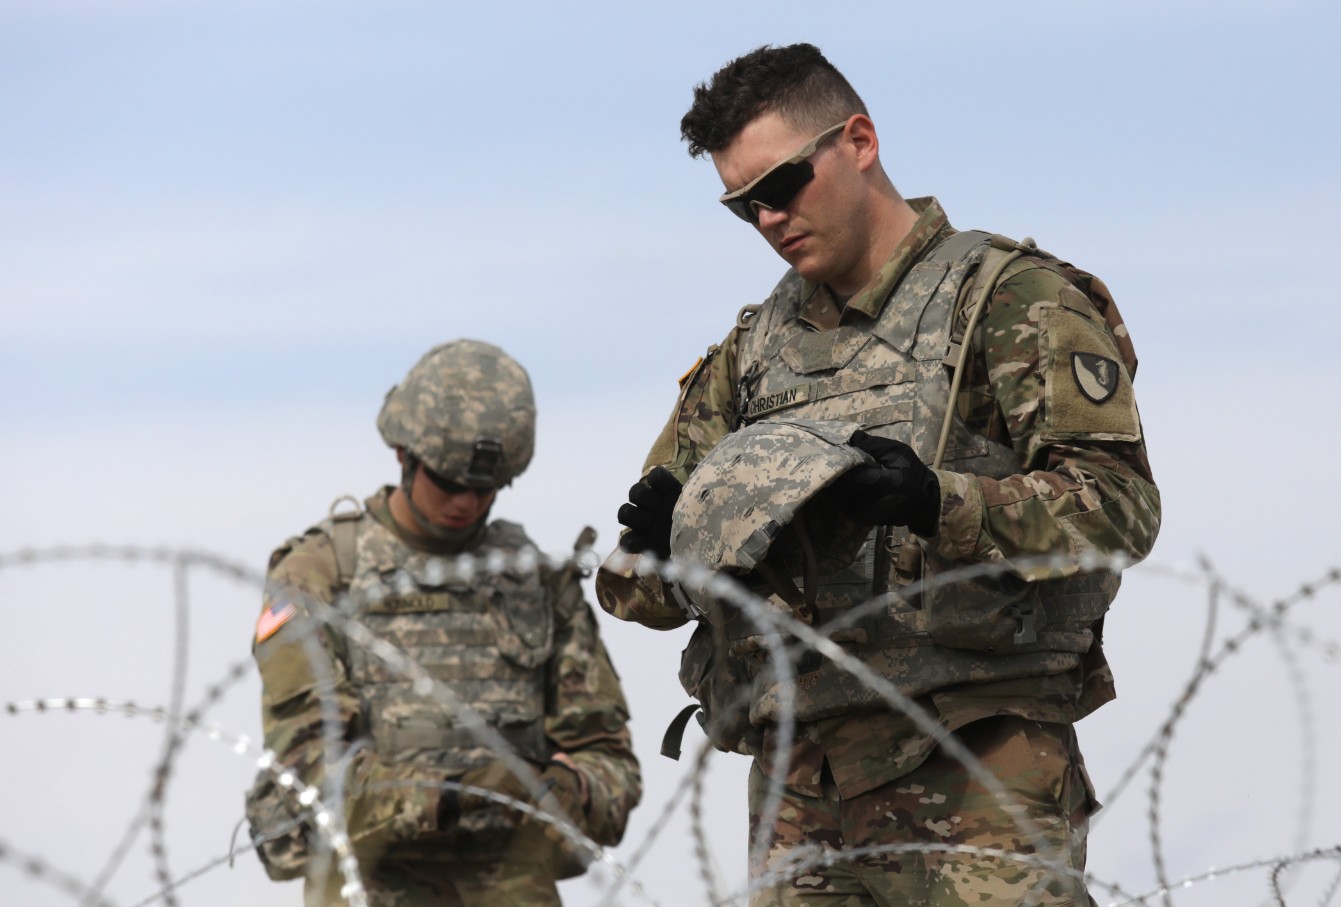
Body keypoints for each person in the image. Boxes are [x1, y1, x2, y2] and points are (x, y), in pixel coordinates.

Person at [595, 43, 1160, 906]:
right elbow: (633, 589)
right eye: (742, 205)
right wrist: (673, 543)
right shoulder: (749, 356)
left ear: (858, 141)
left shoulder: (1010, 300)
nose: (768, 220)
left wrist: (940, 502)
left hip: (980, 766)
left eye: (781, 185)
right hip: (804, 784)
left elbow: (1121, 509)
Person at [245, 339, 641, 907]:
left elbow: (611, 766)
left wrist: (556, 794)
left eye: (484, 490)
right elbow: (307, 766)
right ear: (404, 456)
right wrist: (452, 797)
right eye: (448, 482)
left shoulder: (534, 584)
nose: (466, 504)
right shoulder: (320, 574)